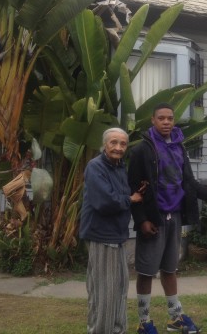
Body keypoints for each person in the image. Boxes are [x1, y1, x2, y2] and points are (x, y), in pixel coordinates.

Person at [128, 103, 207, 334]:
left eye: (170, 118)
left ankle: (175, 317)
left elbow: (190, 183)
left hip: (174, 216)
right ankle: (144, 321)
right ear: (153, 121)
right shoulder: (142, 150)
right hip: (153, 218)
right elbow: (133, 187)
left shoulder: (179, 148)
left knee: (170, 268)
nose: (166, 122)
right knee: (145, 271)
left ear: (174, 121)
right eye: (161, 118)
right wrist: (142, 219)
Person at [79, 128, 146, 334]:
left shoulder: (118, 167)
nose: (118, 148)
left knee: (119, 288)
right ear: (105, 144)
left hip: (117, 236)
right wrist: (130, 199)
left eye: (123, 144)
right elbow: (103, 202)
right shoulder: (96, 167)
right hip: (102, 236)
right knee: (105, 292)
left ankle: (117, 330)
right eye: (113, 143)